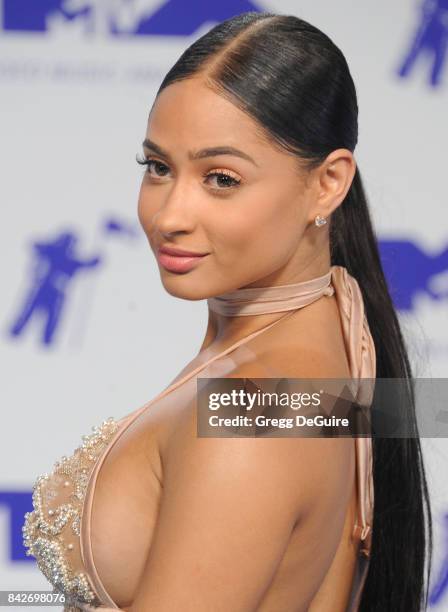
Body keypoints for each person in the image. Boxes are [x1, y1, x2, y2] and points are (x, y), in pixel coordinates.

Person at [22, 11, 432, 612]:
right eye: (158, 168)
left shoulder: (257, 404)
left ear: (328, 184)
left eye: (220, 178)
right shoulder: (307, 350)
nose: (169, 216)